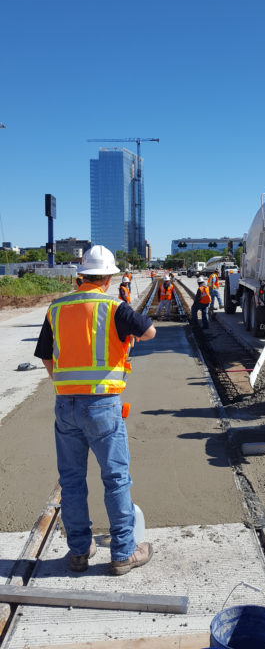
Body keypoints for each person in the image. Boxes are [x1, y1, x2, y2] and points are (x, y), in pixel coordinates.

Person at [34, 245, 156, 576]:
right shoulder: (114, 306)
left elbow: (45, 355)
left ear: (81, 276)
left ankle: (78, 553)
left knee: (71, 481)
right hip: (102, 405)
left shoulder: (57, 308)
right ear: (107, 278)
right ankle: (122, 554)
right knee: (115, 479)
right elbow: (149, 331)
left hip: (65, 405)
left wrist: (62, 384)